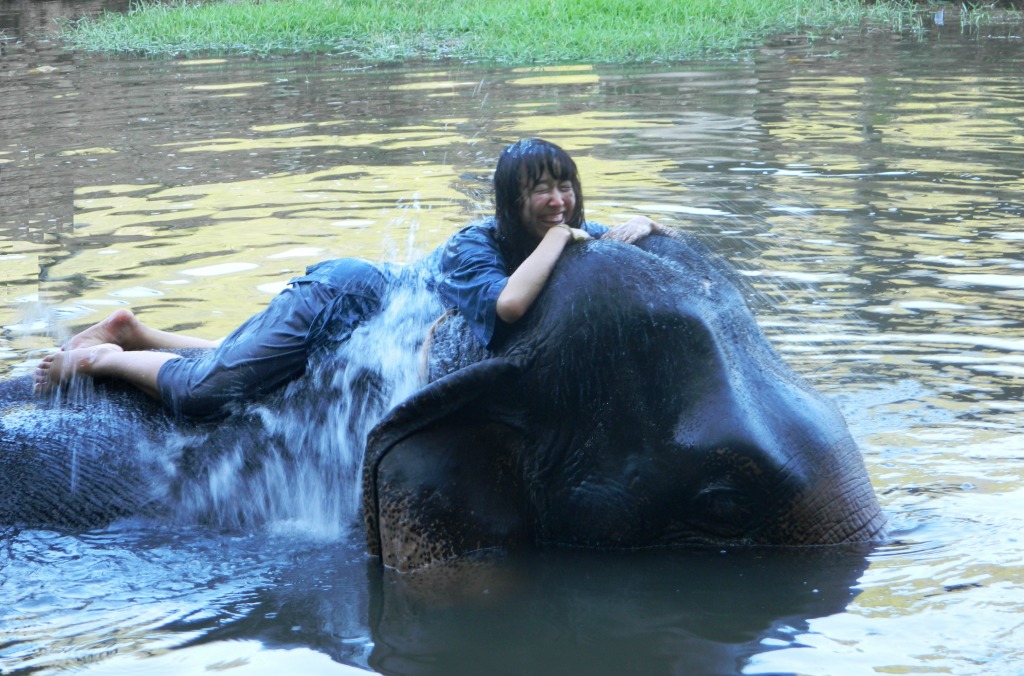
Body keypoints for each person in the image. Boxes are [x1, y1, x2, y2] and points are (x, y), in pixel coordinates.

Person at [35, 138, 671, 417]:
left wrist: (641, 222)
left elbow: (607, 238)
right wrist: (564, 236)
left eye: (565, 187)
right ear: (512, 204)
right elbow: (508, 306)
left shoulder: (553, 234)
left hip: (364, 335)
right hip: (345, 298)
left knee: (266, 370)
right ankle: (102, 361)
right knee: (211, 397)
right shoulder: (479, 246)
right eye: (541, 192)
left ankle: (136, 330)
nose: (558, 201)